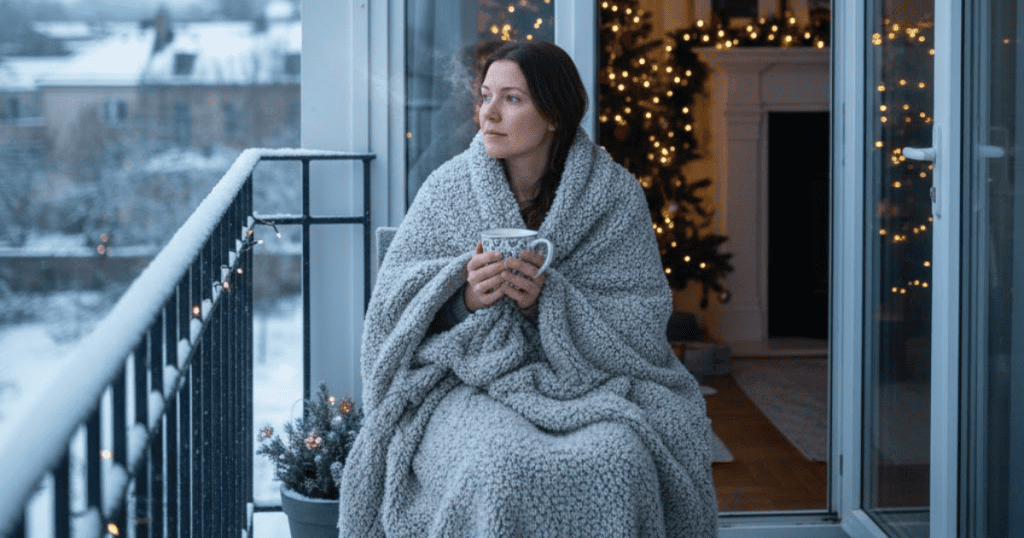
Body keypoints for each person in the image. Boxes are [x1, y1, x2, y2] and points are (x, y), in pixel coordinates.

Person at [338, 41, 717, 537]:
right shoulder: (448, 188)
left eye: (512, 99)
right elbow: (394, 307)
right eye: (485, 96)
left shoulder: (613, 195)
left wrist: (547, 303)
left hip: (589, 382)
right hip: (466, 380)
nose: (489, 113)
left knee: (621, 457)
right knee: (498, 464)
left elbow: (638, 316)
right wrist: (465, 296)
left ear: (554, 115)